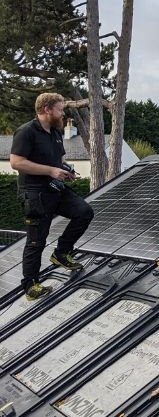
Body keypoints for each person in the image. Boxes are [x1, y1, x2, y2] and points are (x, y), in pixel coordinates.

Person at [9, 93, 94, 300]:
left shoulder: (55, 132)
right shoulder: (26, 132)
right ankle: (30, 286)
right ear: (47, 109)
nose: (62, 113)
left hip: (55, 189)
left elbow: (59, 159)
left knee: (84, 212)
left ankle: (61, 254)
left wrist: (66, 170)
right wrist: (50, 171)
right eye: (59, 109)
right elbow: (16, 162)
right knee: (36, 241)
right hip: (35, 194)